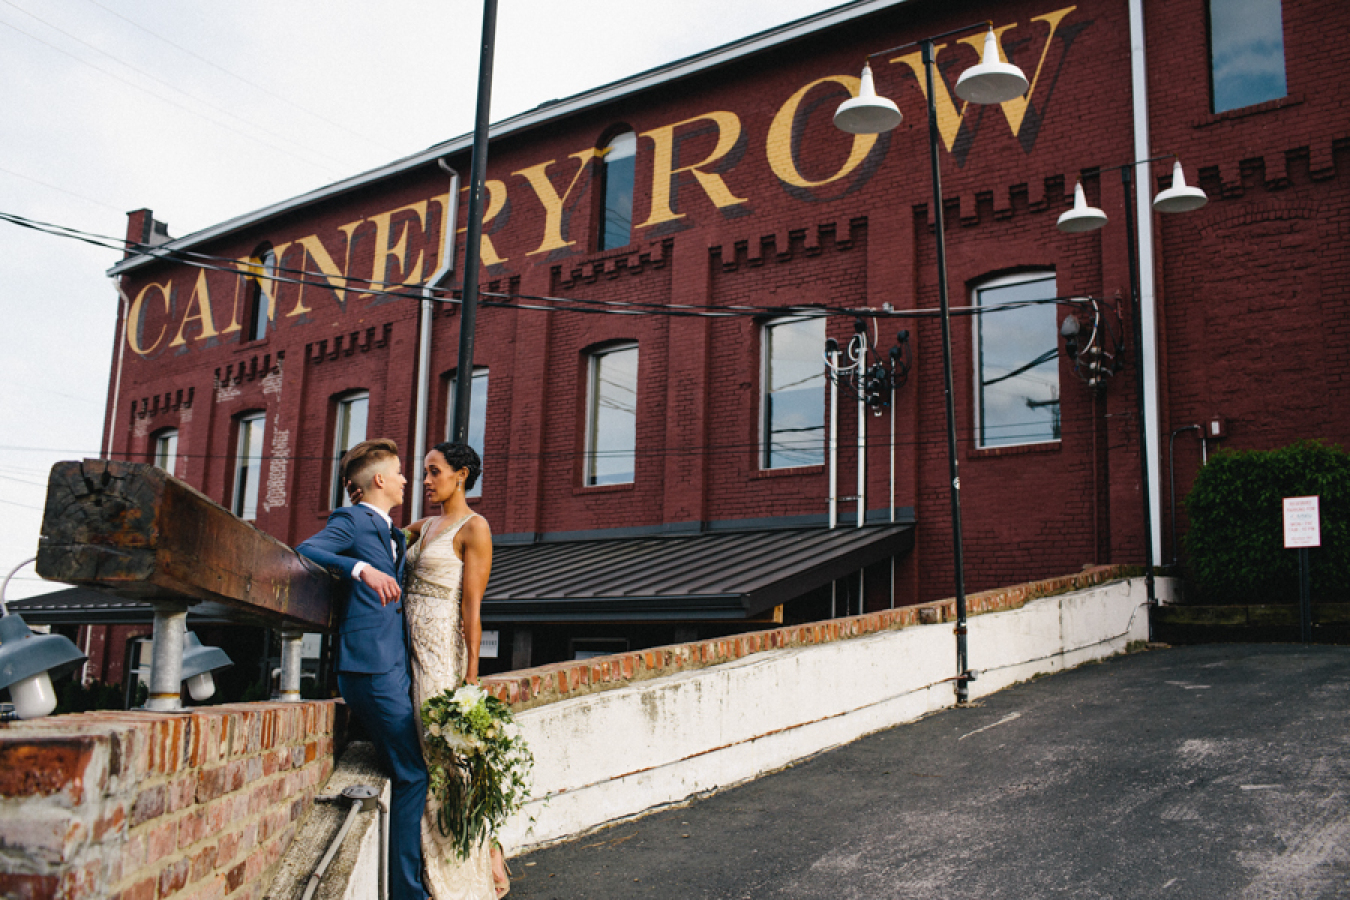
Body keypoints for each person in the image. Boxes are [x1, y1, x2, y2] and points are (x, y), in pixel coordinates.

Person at [295, 438, 429, 900]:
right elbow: (306, 549)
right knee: (413, 773)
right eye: (399, 472)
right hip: (369, 667)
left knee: (411, 769)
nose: (406, 479)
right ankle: (408, 893)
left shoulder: (391, 530)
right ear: (378, 480)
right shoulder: (350, 519)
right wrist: (360, 571)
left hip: (392, 663)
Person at [400, 441, 509, 899]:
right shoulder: (420, 527)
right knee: (423, 753)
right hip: (405, 648)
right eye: (424, 473)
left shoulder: (474, 527)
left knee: (443, 760)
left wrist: (470, 681)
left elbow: (472, 610)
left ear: (461, 474)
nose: (426, 481)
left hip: (440, 655)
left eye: (433, 472)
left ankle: (467, 870)